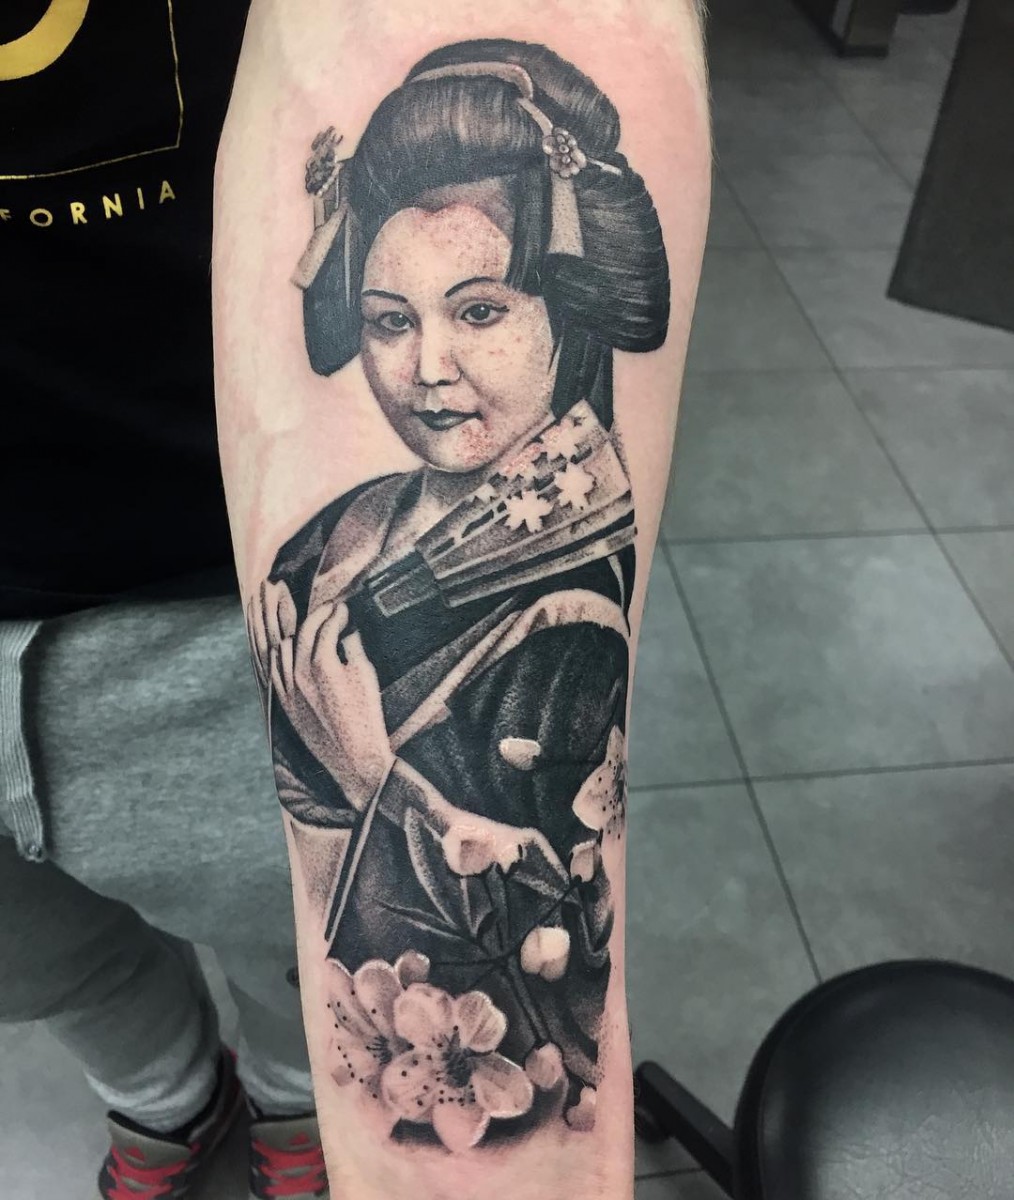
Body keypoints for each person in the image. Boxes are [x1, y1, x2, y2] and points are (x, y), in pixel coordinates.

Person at [217, 13, 709, 1198]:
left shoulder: (564, 617)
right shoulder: (345, 524)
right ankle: (180, 1098)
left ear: (568, 311)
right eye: (391, 321)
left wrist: (371, 775)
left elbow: (547, 958)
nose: (426, 366)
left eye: (480, 310)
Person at [0, 3, 327, 1197]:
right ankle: (171, 1095)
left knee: (308, 936)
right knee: (30, 959)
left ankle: (297, 1102)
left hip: (221, 545)